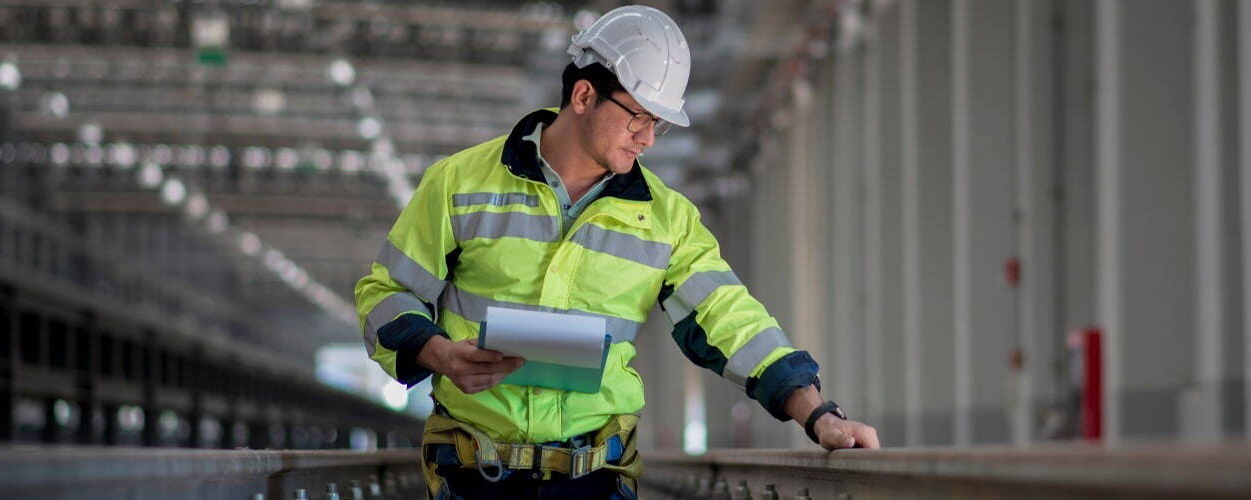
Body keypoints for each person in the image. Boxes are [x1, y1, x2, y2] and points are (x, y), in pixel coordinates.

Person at [351, 5, 881, 498]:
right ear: (583, 97)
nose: (649, 139)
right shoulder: (458, 183)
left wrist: (819, 415)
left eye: (659, 123)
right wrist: (437, 352)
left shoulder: (667, 220)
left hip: (595, 479)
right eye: (638, 117)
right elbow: (387, 292)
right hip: (471, 475)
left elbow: (729, 319)